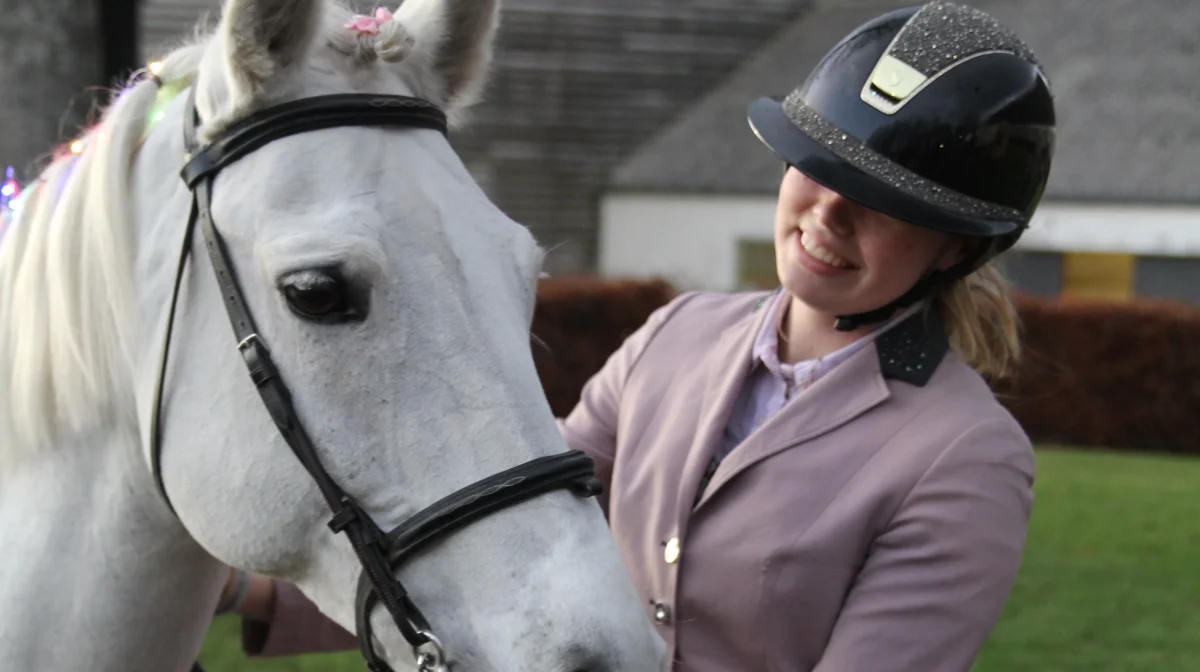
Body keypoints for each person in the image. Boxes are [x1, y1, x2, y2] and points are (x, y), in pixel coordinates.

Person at [215, 2, 1055, 670]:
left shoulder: (967, 458)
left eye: (886, 202)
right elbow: (507, 542)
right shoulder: (679, 334)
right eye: (819, 167)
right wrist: (240, 591)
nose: (828, 213)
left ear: (957, 246)